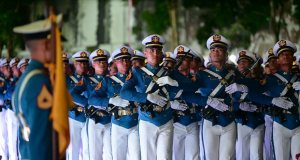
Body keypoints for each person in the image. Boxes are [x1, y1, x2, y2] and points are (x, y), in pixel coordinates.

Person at [120, 34, 198, 160]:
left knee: (165, 157)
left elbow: (193, 86)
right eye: (151, 50)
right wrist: (147, 97)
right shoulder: (137, 72)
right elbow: (124, 93)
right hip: (147, 120)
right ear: (145, 54)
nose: (155, 53)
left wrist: (175, 82)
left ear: (162, 53)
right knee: (148, 157)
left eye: (158, 50)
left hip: (166, 118)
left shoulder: (170, 72)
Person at [12, 14, 64, 159]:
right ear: (46, 45)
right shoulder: (40, 82)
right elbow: (40, 137)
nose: (60, 49)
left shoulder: (30, 77)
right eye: (57, 43)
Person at [180, 34, 239, 160]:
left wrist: (244, 88)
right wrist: (207, 100)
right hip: (210, 122)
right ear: (210, 55)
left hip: (229, 121)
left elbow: (253, 87)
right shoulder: (201, 75)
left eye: (219, 49)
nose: (216, 52)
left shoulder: (233, 75)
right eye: (213, 50)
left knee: (227, 157)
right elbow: (185, 94)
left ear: (226, 54)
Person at [248, 39, 299, 160]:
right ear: (278, 60)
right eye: (282, 54)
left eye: (288, 54)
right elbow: (252, 94)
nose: (285, 56)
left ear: (294, 58)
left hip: (298, 123)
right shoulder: (270, 79)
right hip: (280, 124)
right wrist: (272, 100)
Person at [89, 46, 140, 160]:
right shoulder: (108, 81)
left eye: (127, 59)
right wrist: (110, 101)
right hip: (118, 123)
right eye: (121, 60)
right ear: (115, 63)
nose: (125, 62)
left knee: (136, 157)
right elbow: (92, 99)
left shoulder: (138, 79)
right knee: (117, 157)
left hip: (136, 122)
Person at [228, 50, 265, 159]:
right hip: (240, 122)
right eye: (240, 62)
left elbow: (259, 93)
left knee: (257, 155)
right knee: (241, 155)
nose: (242, 64)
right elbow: (227, 101)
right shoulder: (232, 81)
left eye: (245, 61)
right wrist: (238, 106)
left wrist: (245, 89)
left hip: (257, 121)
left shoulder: (257, 82)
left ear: (251, 65)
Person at [170, 45, 200, 160]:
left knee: (193, 157)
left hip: (193, 121)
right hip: (175, 122)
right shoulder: (170, 78)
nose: (180, 61)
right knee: (176, 156)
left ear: (191, 61)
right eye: (178, 59)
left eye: (184, 58)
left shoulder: (196, 79)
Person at [85, 49, 112, 160]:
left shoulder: (112, 80)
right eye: (99, 61)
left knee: (110, 154)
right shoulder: (87, 81)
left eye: (104, 61)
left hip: (110, 120)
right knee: (95, 154)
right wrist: (87, 104)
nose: (102, 64)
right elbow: (73, 94)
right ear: (93, 64)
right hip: (94, 120)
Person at [66, 50, 90, 160]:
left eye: (85, 62)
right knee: (73, 150)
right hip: (73, 116)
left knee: (86, 150)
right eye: (80, 62)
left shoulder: (91, 80)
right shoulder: (68, 80)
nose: (83, 65)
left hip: (88, 117)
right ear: (75, 64)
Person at [0, 58, 13, 160]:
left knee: (8, 137)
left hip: (7, 108)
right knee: (3, 137)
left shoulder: (10, 79)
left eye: (9, 66)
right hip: (1, 110)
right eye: (6, 67)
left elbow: (7, 94)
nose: (9, 68)